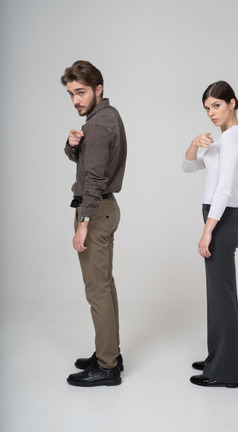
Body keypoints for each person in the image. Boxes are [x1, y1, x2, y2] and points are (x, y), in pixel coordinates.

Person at [61, 60, 127, 387]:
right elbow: (89, 161)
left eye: (81, 92)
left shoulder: (99, 124)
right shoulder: (103, 118)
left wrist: (83, 222)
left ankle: (107, 366)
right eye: (72, 93)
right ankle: (109, 351)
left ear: (98, 89)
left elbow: (95, 177)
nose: (75, 99)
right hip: (104, 209)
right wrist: (73, 145)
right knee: (104, 286)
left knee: (96, 291)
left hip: (96, 211)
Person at [183, 81, 238, 388]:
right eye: (207, 108)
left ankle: (226, 372)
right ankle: (216, 357)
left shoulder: (234, 138)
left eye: (216, 106)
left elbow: (224, 189)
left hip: (223, 221)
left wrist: (207, 230)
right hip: (216, 218)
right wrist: (195, 143)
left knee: (224, 298)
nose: (211, 113)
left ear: (232, 103)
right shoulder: (221, 140)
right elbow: (188, 166)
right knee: (217, 297)